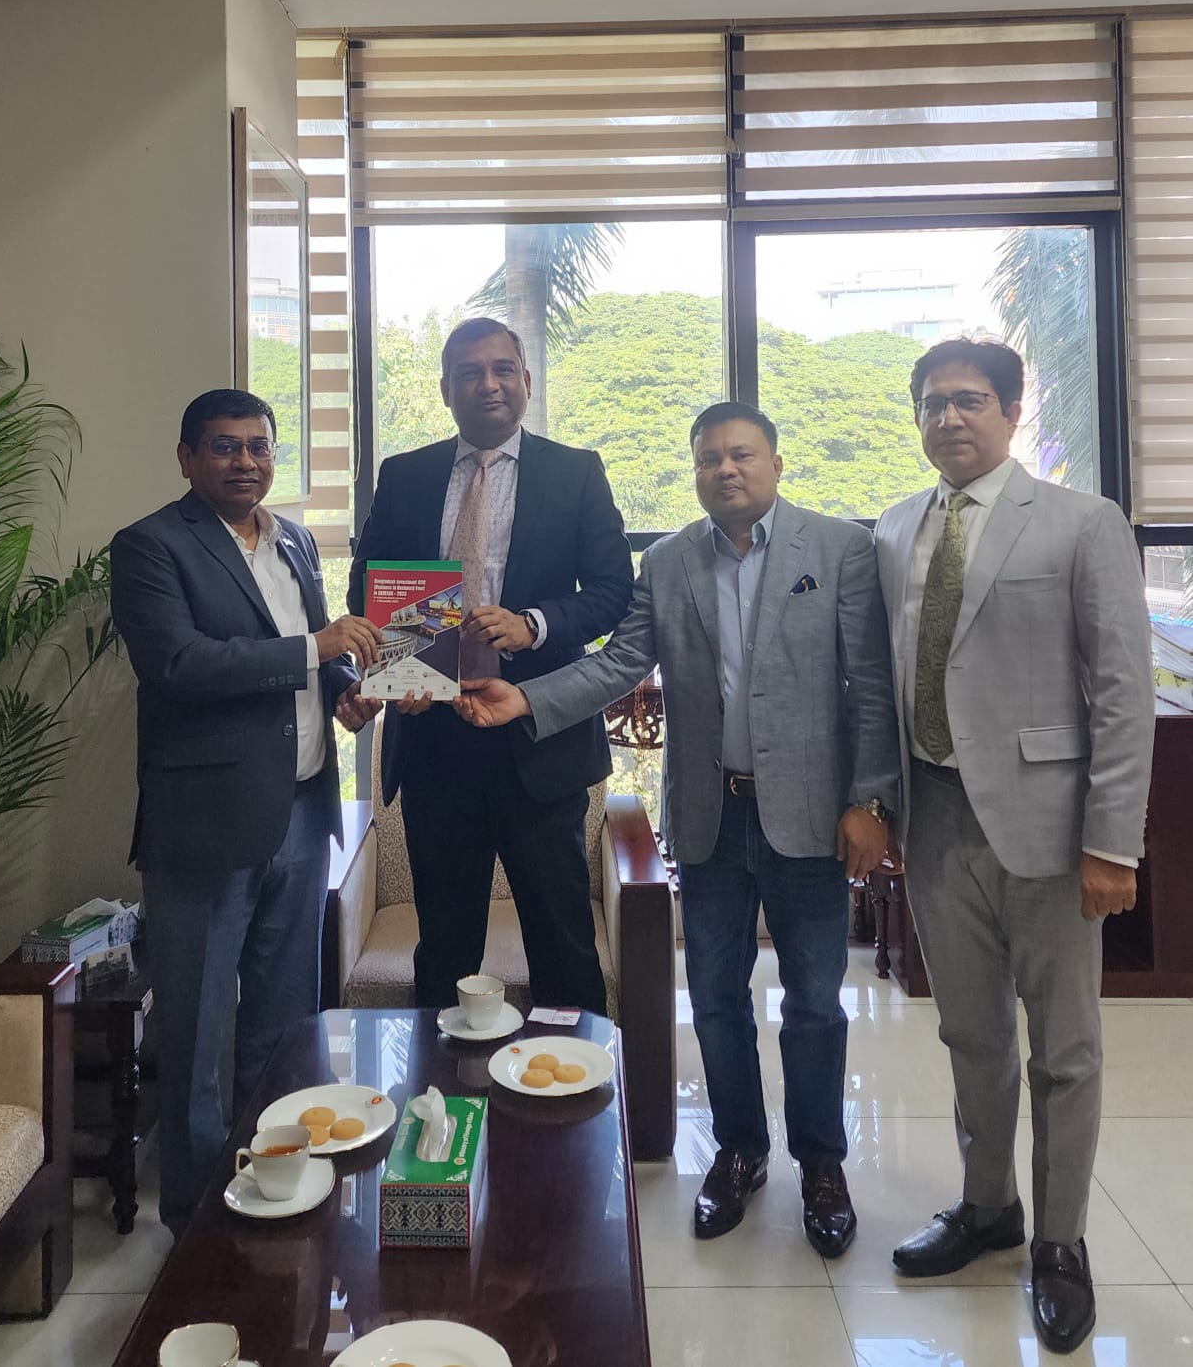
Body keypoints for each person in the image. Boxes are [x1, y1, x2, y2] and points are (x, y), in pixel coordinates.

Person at [457, 401, 900, 1257]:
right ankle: (738, 1151)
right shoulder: (666, 561)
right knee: (717, 999)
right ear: (694, 471)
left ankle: (820, 1163)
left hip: (811, 813)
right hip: (709, 815)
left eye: (741, 455)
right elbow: (623, 662)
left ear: (775, 463)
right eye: (707, 459)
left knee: (813, 1002)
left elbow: (870, 684)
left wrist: (871, 802)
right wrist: (526, 700)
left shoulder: (838, 549)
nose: (724, 470)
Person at [875, 338, 1155, 1353]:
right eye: (932, 402)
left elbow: (1121, 689)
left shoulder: (1082, 522)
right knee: (971, 1035)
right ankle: (988, 1206)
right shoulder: (893, 528)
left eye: (970, 400)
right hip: (934, 815)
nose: (949, 417)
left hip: (1051, 826)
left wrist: (1113, 842)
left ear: (1009, 411)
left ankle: (1061, 1243)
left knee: (1064, 1050)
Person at [110, 388, 382, 1233]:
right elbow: (179, 664)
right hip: (205, 824)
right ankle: (195, 1222)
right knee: (197, 1032)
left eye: (259, 447)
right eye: (224, 447)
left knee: (282, 1021)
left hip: (301, 812)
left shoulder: (293, 539)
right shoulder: (150, 545)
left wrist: (347, 687)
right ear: (186, 457)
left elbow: (316, 656)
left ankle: (278, 1186)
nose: (245, 462)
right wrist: (316, 649)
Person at [347, 316, 634, 1014]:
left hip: (539, 739)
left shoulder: (575, 472)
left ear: (526, 381)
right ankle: (443, 1080)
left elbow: (611, 593)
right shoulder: (405, 475)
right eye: (469, 373)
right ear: (446, 389)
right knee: (444, 946)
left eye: (503, 369)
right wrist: (404, 670)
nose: (488, 384)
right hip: (434, 740)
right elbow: (368, 588)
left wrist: (533, 624)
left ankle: (570, 1078)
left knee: (562, 941)